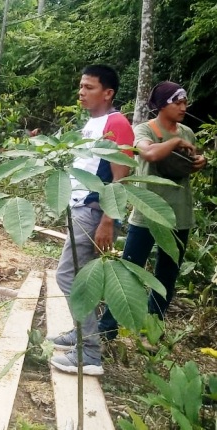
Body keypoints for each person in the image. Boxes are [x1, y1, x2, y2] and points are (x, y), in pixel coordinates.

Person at [98, 81, 207, 339]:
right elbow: (149, 154)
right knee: (129, 271)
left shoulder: (188, 132)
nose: (183, 107)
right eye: (177, 102)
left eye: (184, 102)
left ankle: (152, 331)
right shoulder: (145, 129)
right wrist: (176, 141)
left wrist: (200, 160)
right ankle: (108, 328)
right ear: (160, 105)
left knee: (166, 276)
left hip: (179, 216)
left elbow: (191, 158)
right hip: (147, 214)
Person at [48, 65, 135, 376]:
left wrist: (109, 220)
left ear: (107, 93)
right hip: (81, 208)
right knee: (81, 277)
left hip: (95, 210)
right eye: (81, 86)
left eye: (89, 87)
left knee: (67, 276)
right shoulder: (92, 123)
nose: (81, 92)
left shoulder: (117, 122)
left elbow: (119, 176)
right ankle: (81, 333)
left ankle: (90, 353)